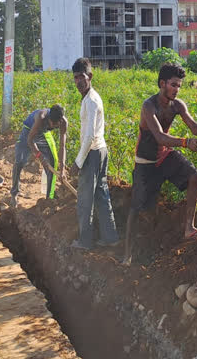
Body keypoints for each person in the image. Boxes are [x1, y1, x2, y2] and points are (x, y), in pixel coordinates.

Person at [122, 63, 197, 265]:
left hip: (165, 157)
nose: (176, 89)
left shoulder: (178, 105)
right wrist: (185, 143)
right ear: (162, 83)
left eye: (179, 86)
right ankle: (127, 254)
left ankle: (189, 228)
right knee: (137, 209)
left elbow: (194, 128)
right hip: (145, 163)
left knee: (193, 176)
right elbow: (160, 137)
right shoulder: (149, 106)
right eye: (173, 85)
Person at [70, 57, 119, 250]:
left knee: (84, 200)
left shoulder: (90, 101)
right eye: (75, 78)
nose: (78, 81)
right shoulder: (92, 97)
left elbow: (89, 136)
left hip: (92, 153)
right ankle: (110, 237)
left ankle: (84, 242)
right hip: (101, 151)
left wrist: (78, 162)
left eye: (81, 77)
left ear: (90, 76)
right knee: (101, 195)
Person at [10, 105, 67, 208]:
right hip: (29, 133)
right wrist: (40, 156)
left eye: (56, 125)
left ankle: (49, 198)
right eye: (52, 124)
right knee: (19, 162)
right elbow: (30, 140)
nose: (53, 126)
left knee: (52, 162)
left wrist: (62, 170)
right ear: (48, 119)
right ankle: (14, 194)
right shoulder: (41, 116)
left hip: (43, 134)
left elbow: (62, 146)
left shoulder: (63, 123)